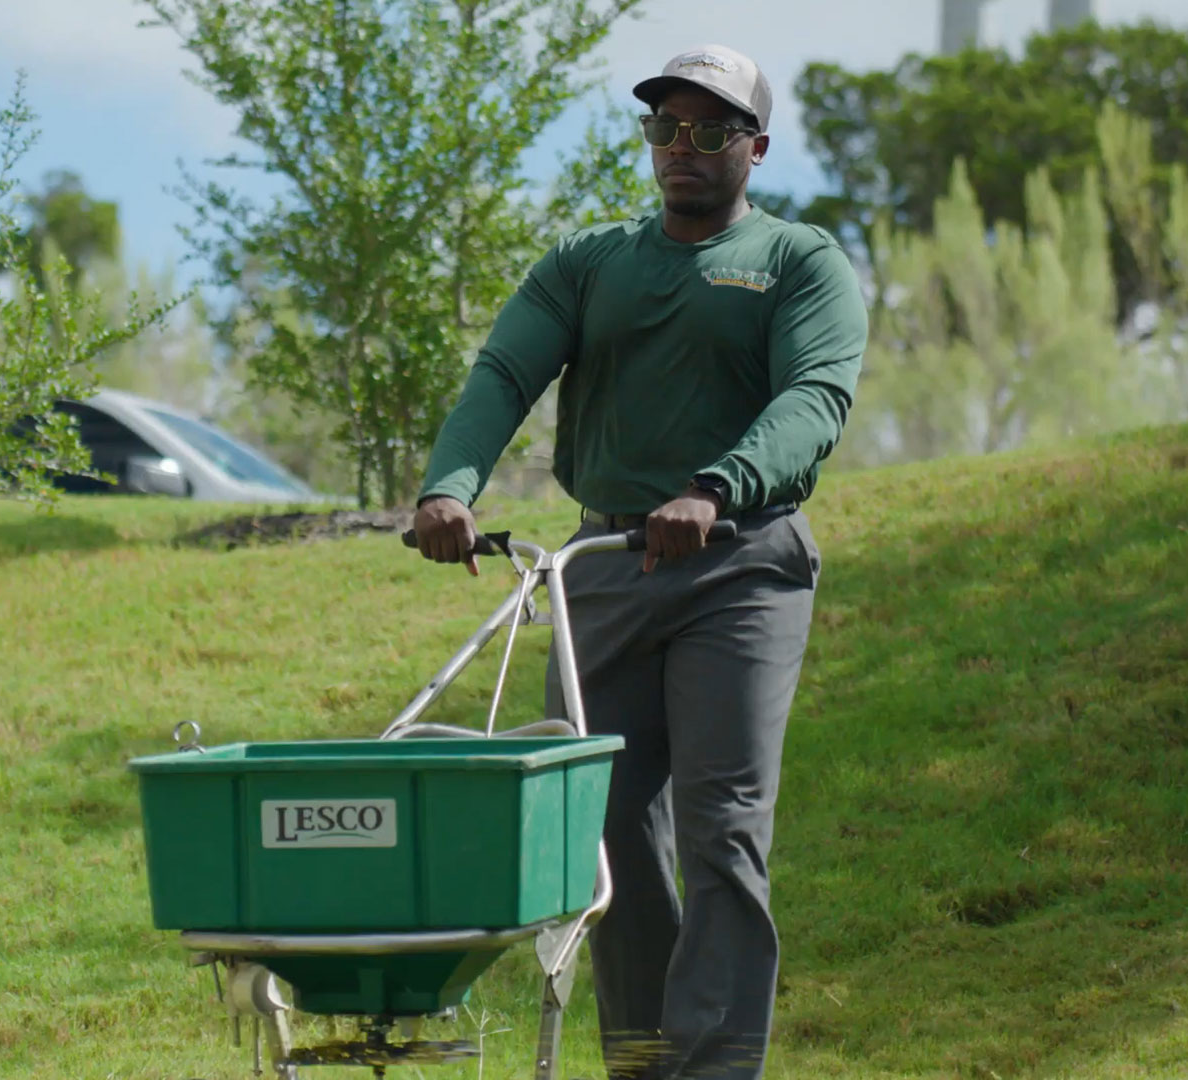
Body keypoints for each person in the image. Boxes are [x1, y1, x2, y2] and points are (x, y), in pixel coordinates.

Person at [408, 43, 867, 1080]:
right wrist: (450, 486)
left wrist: (715, 488)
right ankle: (646, 1058)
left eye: (709, 130)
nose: (681, 148)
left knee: (724, 832)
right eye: (663, 126)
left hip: (741, 566)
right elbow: (503, 372)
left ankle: (716, 1067)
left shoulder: (800, 262)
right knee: (594, 832)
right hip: (603, 566)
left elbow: (814, 401)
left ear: (754, 148)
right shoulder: (588, 262)